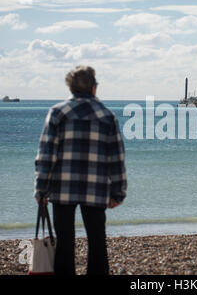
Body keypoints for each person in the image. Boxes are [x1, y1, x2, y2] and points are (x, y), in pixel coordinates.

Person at [34, 65, 127, 275]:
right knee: (97, 242)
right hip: (96, 189)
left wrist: (41, 190)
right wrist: (118, 192)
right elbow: (116, 158)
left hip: (62, 189)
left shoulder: (57, 113)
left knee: (64, 243)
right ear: (94, 87)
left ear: (71, 88)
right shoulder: (107, 115)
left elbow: (46, 154)